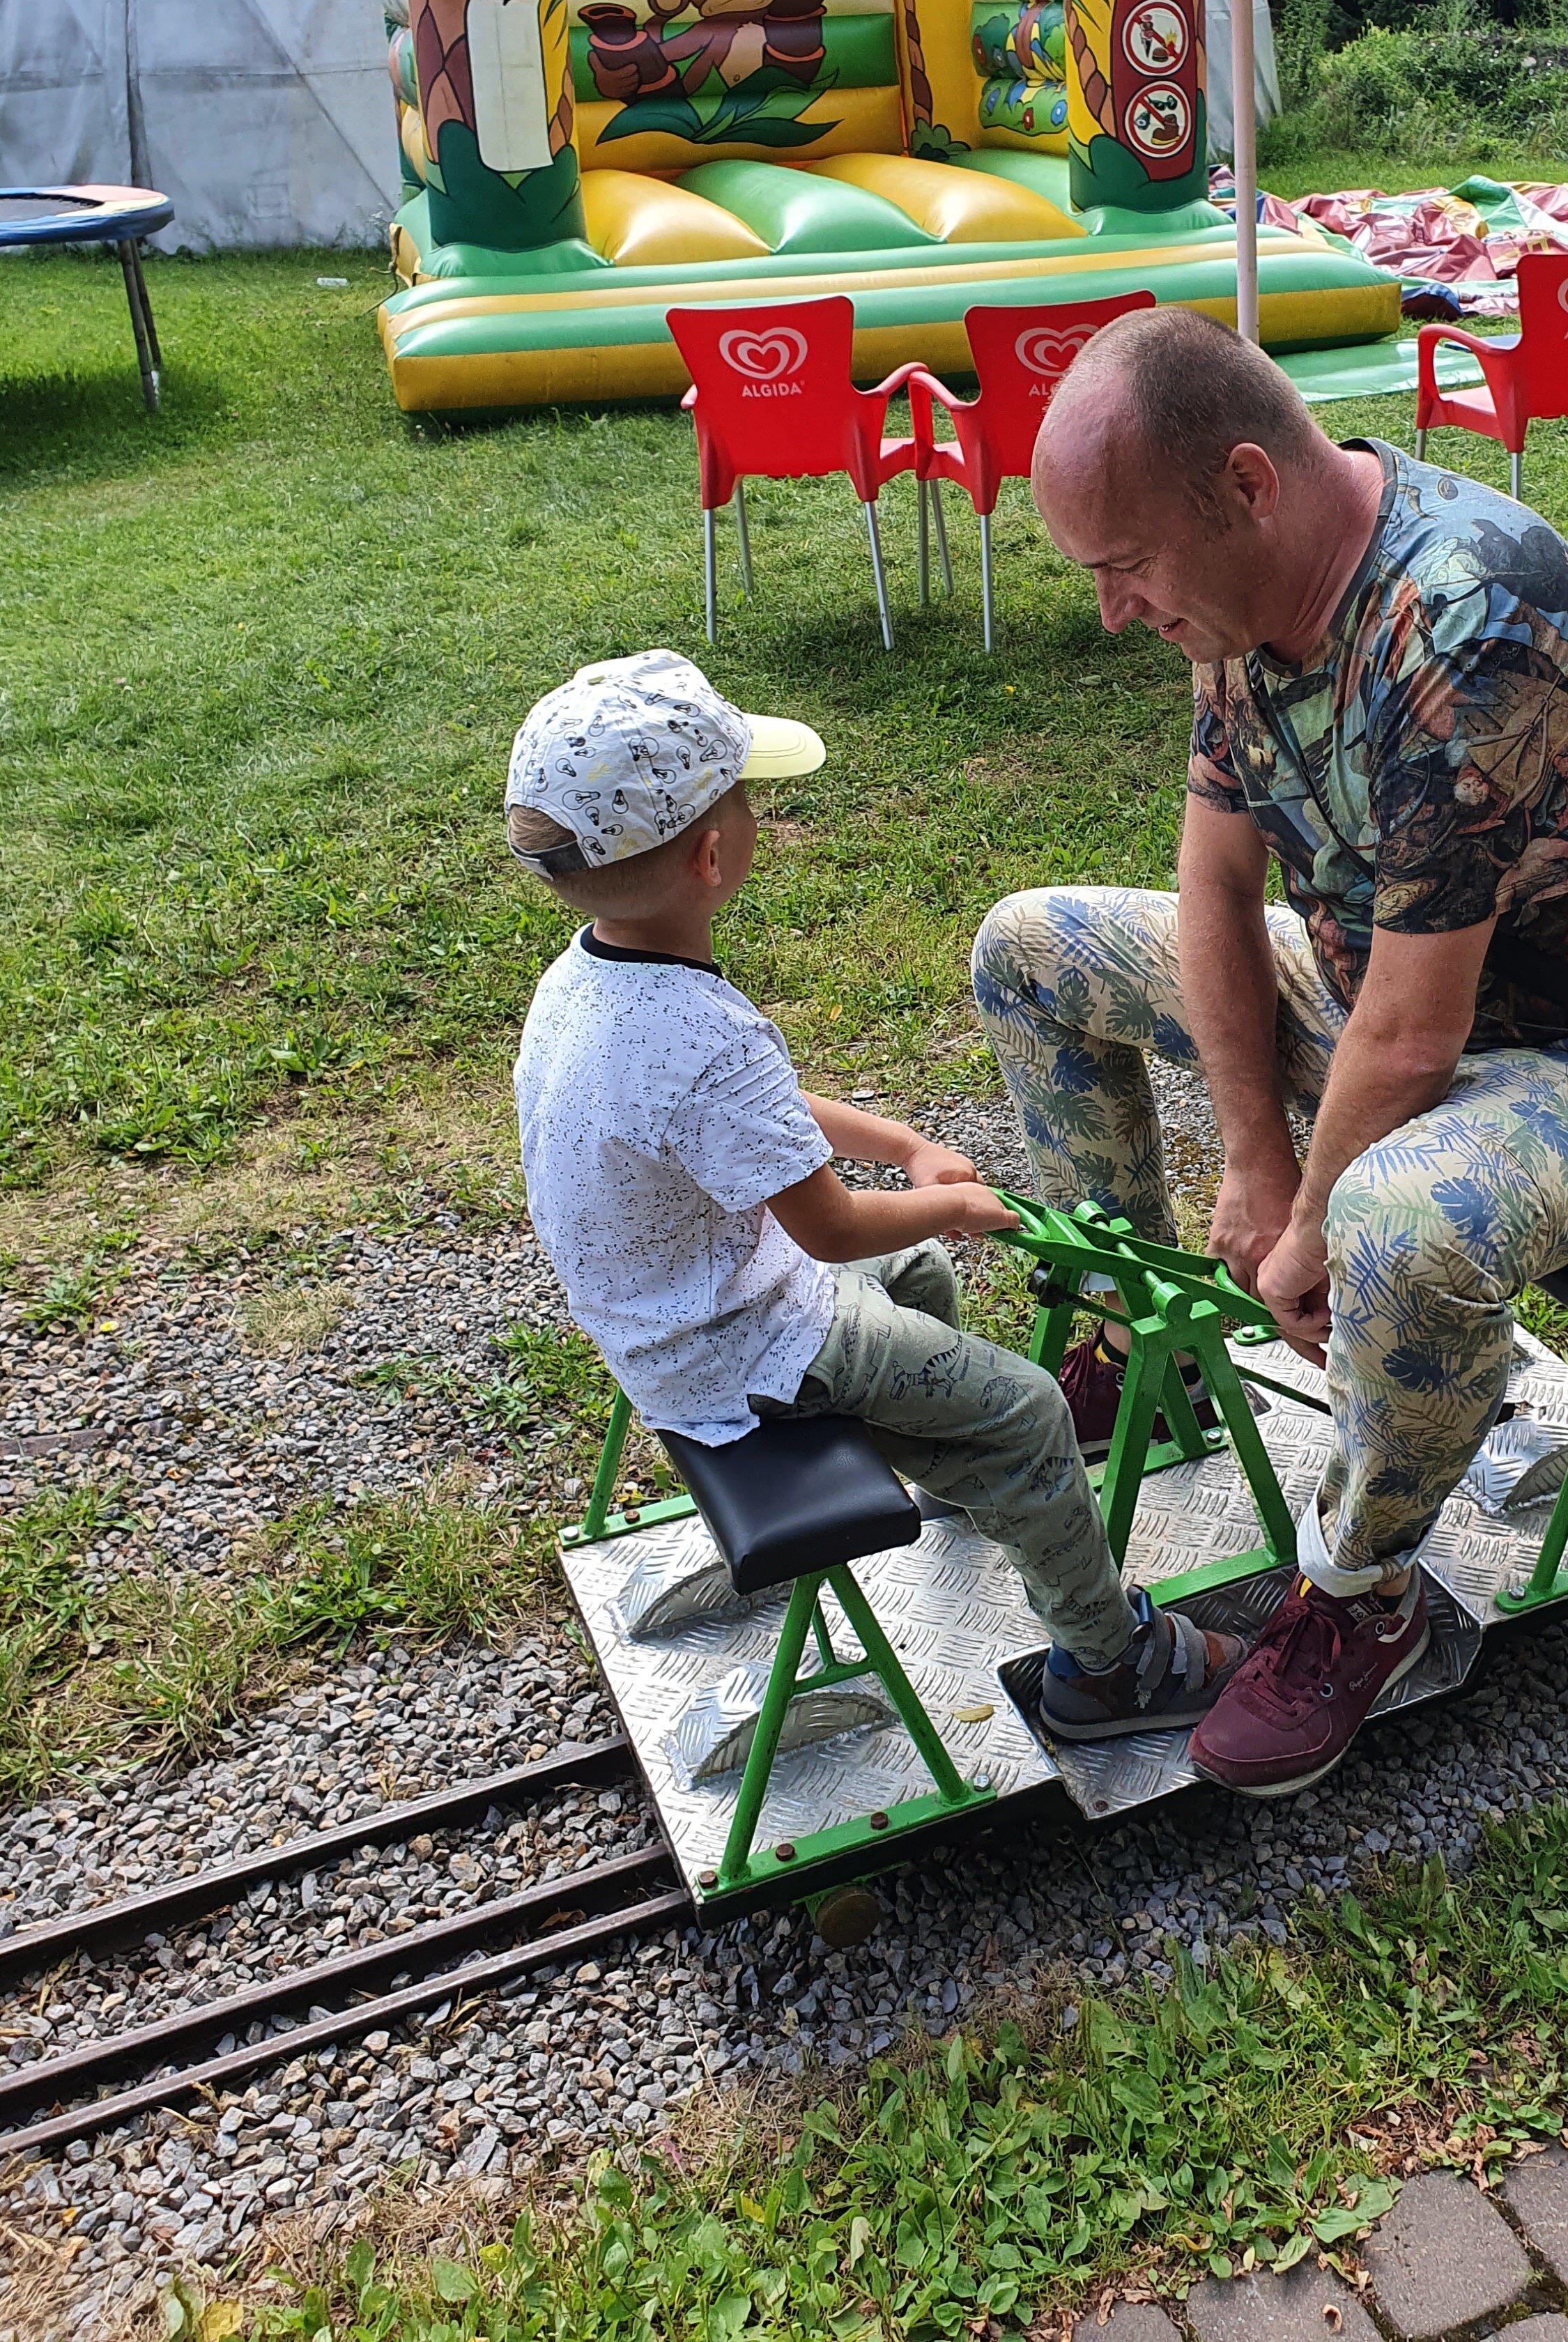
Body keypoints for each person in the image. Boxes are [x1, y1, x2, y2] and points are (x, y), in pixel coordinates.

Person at [971, 309, 1568, 1798]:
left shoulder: (1466, 625)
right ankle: (1137, 1348)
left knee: (1391, 1219)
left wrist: (1307, 1216)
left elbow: (1420, 1030)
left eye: (1125, 566)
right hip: (1388, 1000)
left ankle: (1357, 1597)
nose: (1112, 610)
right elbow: (1216, 887)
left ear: (1246, 483)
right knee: (1027, 946)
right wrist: (1250, 1160)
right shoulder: (1240, 608)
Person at [505, 649, 1243, 1743]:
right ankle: (1109, 1667)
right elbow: (831, 1226)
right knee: (1031, 1409)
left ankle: (949, 1469)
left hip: (661, 1320)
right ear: (715, 852)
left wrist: (901, 1144)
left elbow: (758, 1113)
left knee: (916, 1275)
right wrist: (956, 1200)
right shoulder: (708, 1039)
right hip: (738, 1340)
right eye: (747, 799)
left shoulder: (588, 978)